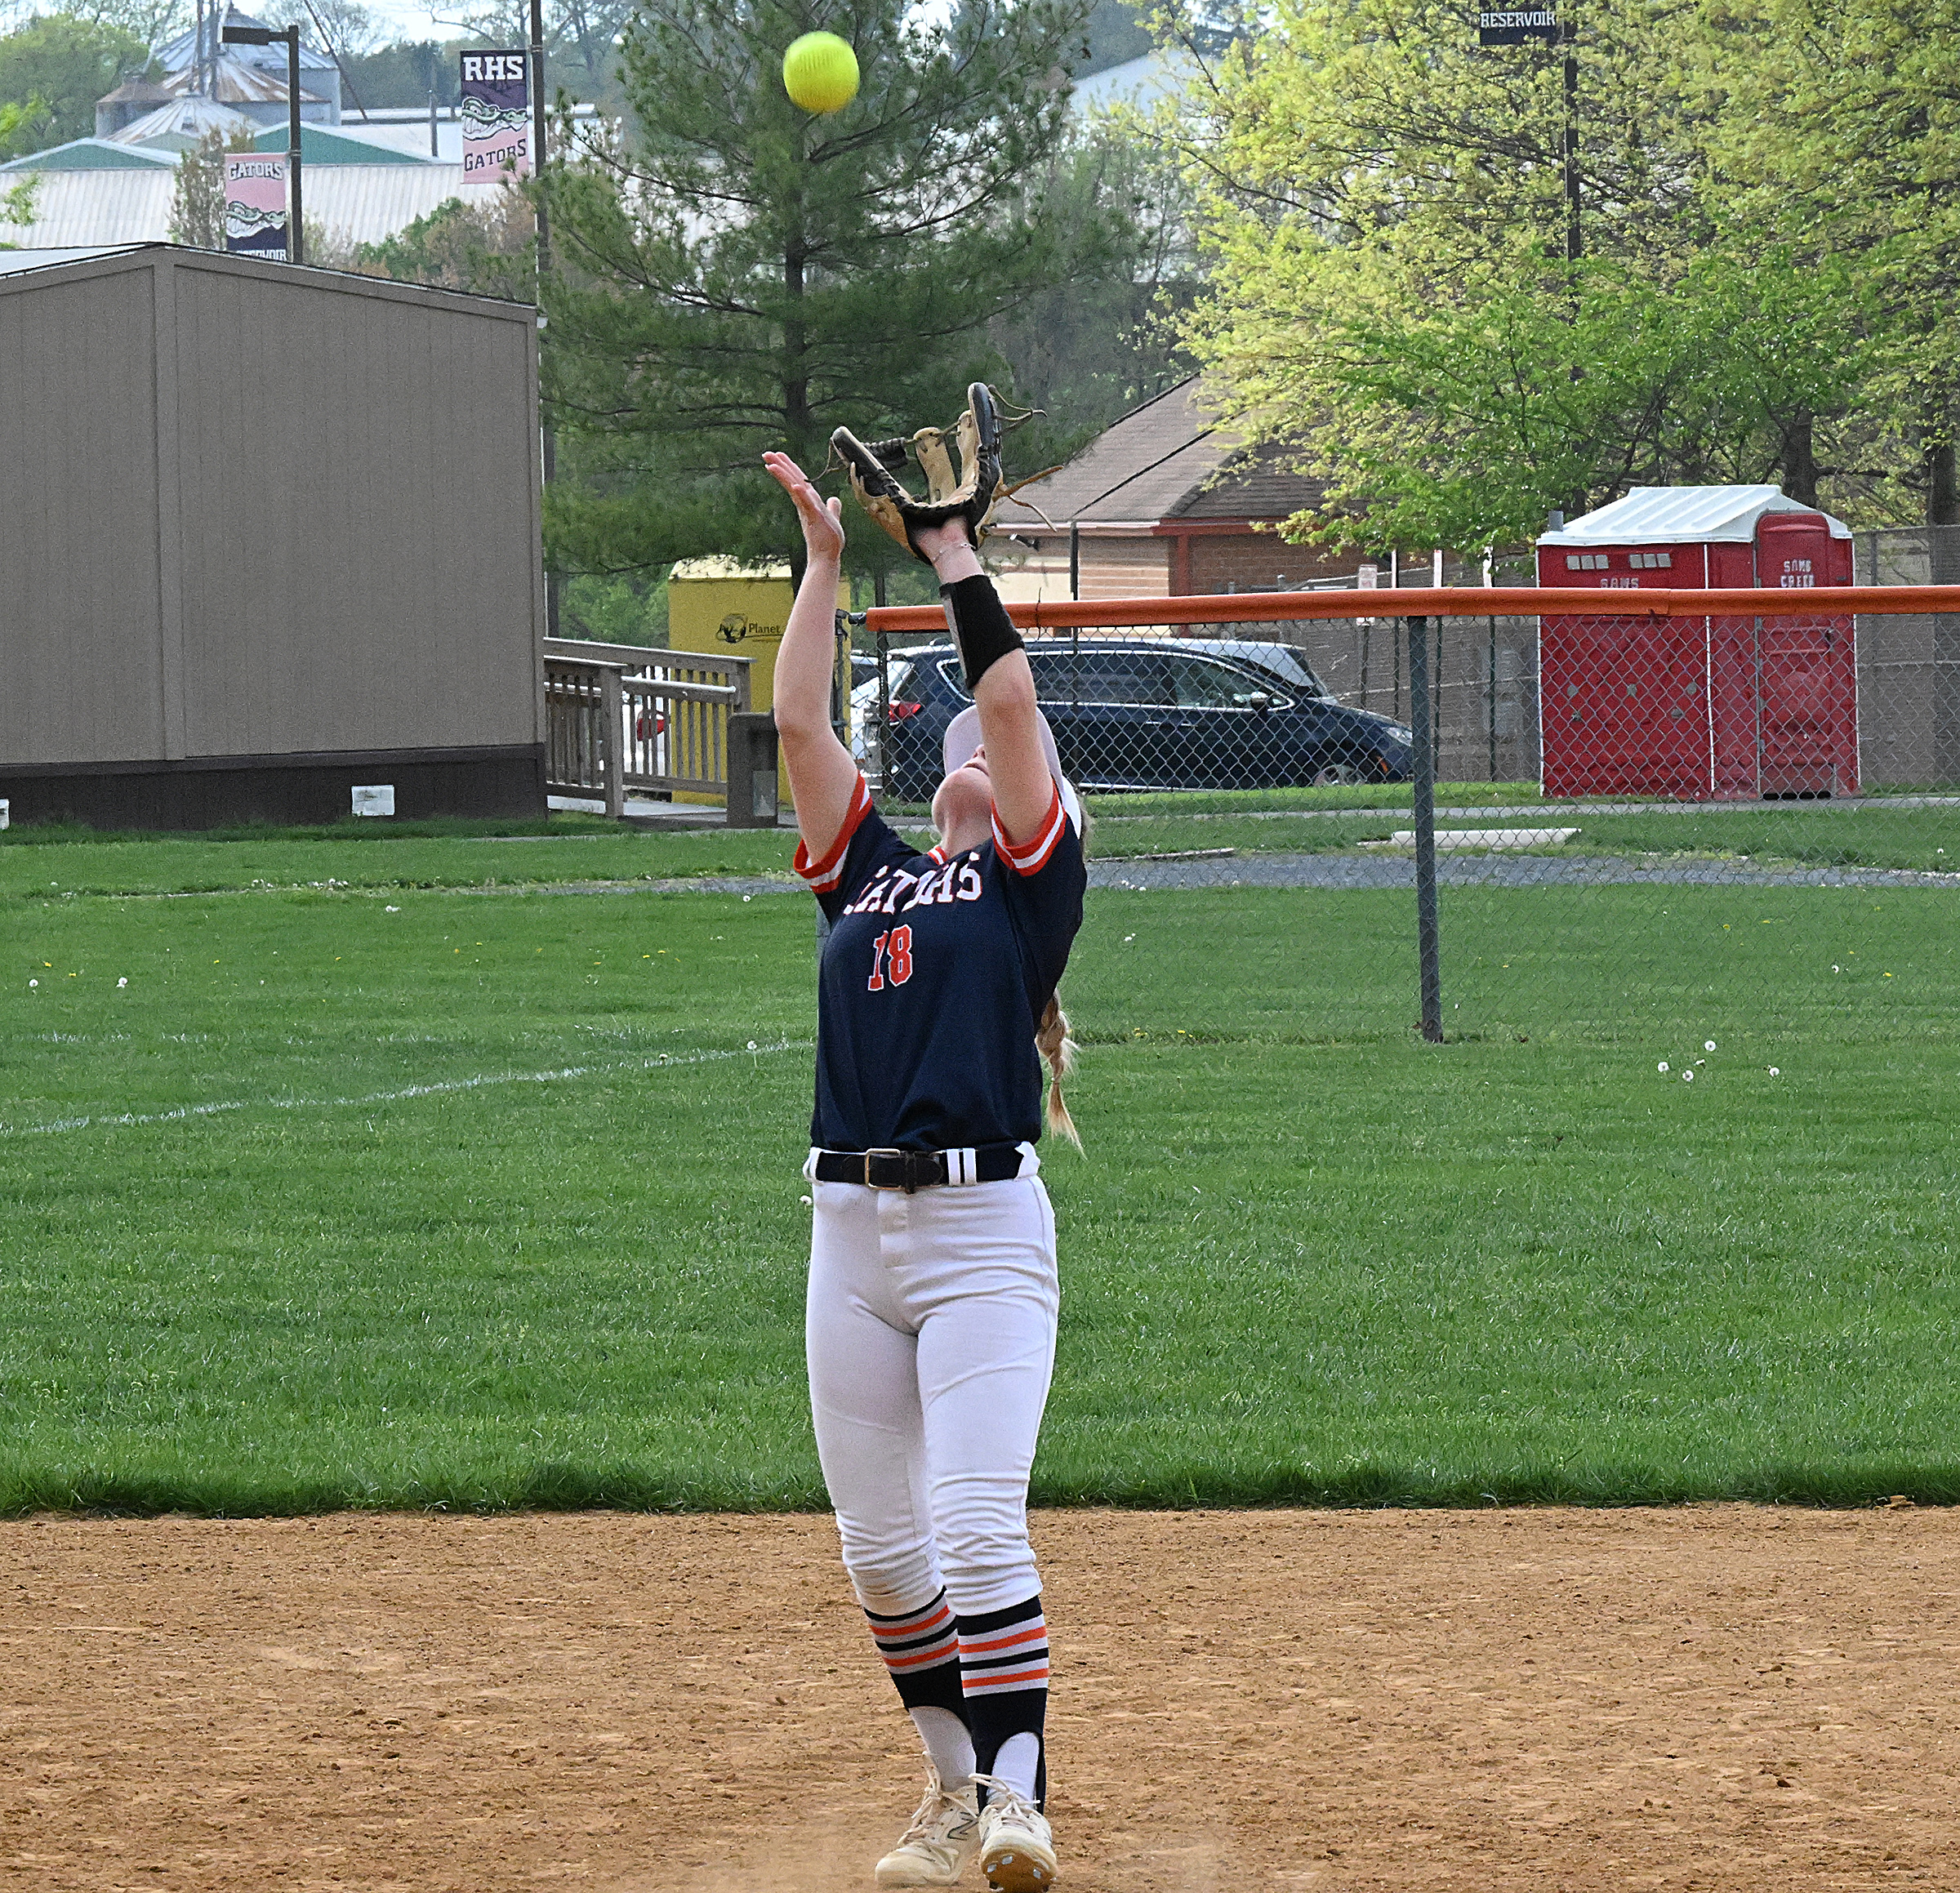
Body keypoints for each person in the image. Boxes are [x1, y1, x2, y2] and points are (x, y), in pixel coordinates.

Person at [762, 444, 1087, 1893]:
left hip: (979, 1232)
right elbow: (792, 718)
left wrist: (953, 551)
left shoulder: (1026, 889)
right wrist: (829, 566)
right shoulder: (871, 872)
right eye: (946, 735)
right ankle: (953, 1791)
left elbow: (1007, 697)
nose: (965, 733)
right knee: (883, 1555)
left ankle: (1023, 1795)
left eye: (987, 748)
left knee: (971, 1517)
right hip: (848, 1231)